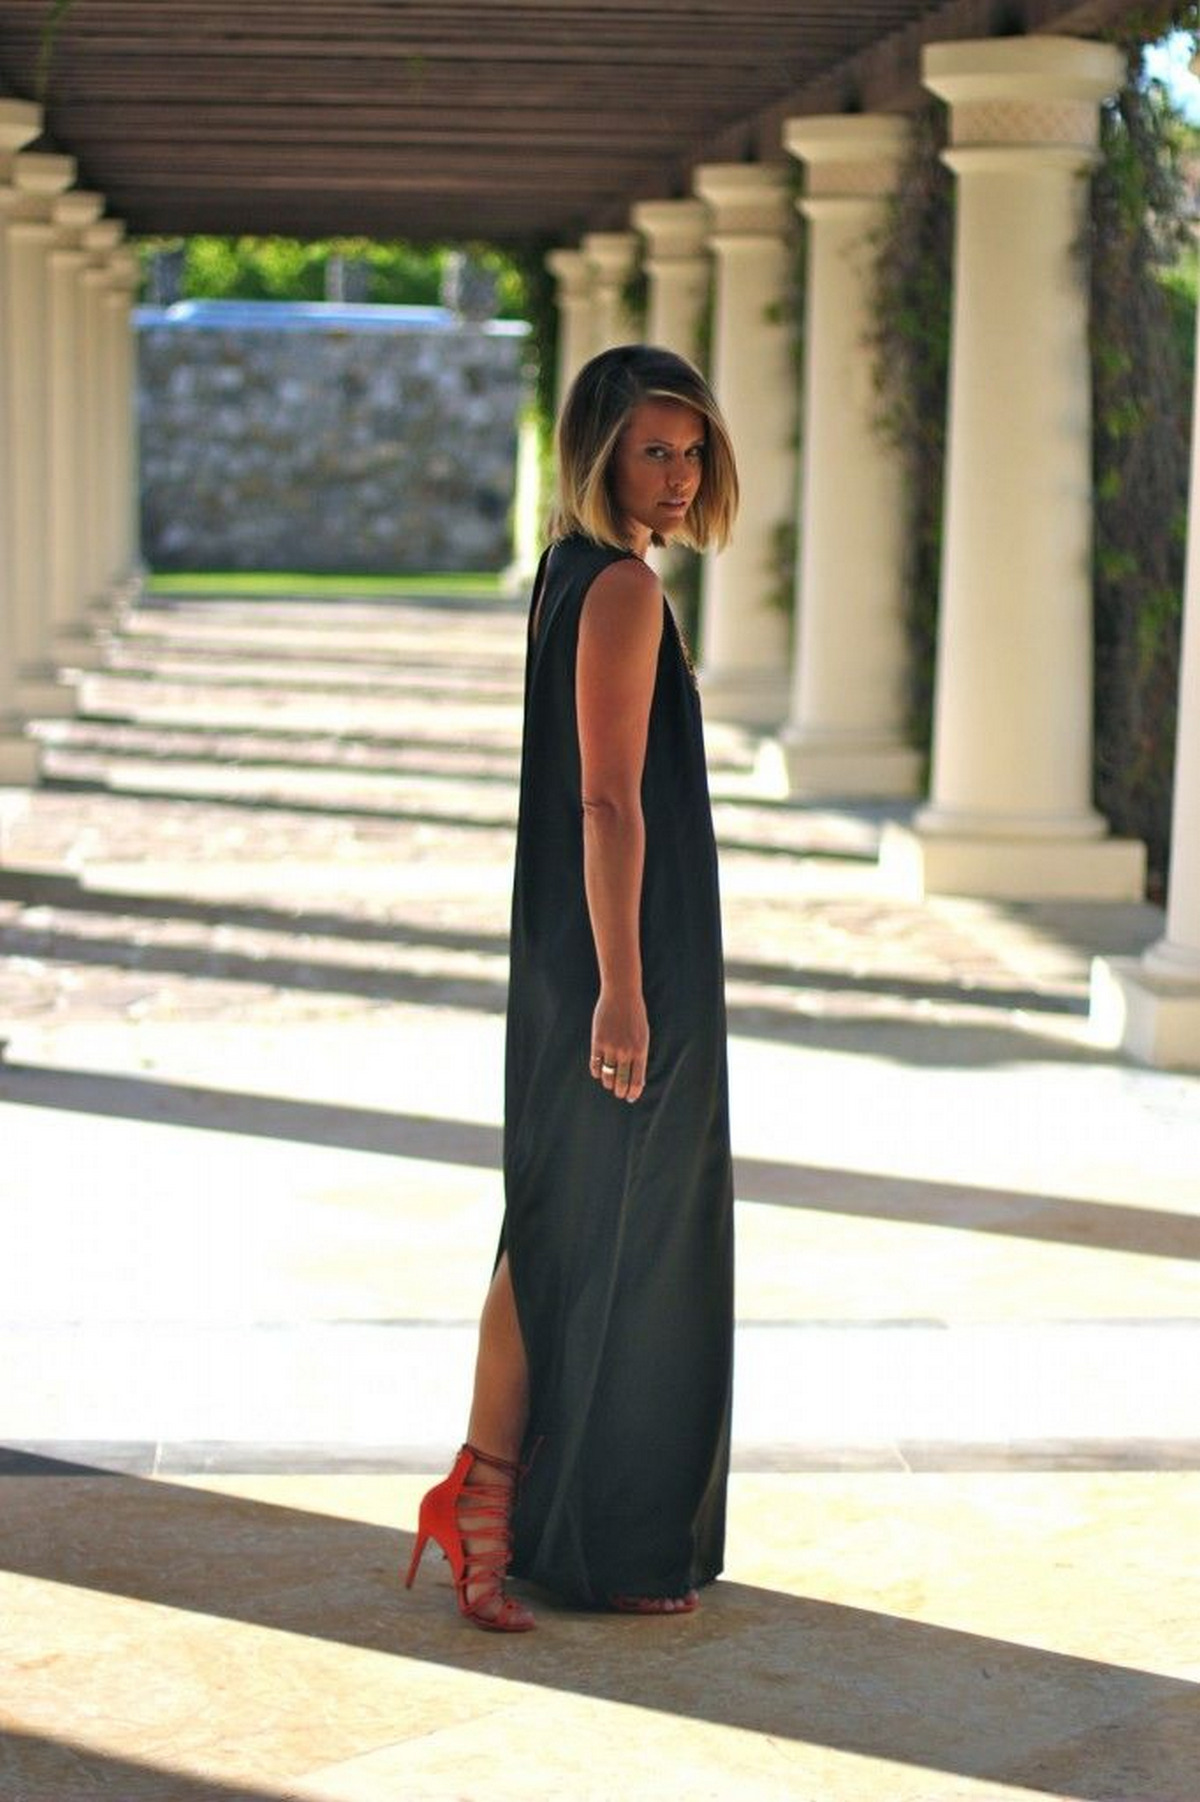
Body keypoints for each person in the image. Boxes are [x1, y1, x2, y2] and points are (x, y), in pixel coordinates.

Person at [405, 344, 739, 1631]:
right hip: (623, 950)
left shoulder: (571, 577)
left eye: (691, 447)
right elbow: (607, 797)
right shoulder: (620, 594)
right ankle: (523, 1510)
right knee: (599, 1229)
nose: (676, 472)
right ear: (598, 452)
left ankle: (503, 1507)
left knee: (567, 1218)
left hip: (589, 942)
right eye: (652, 448)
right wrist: (622, 989)